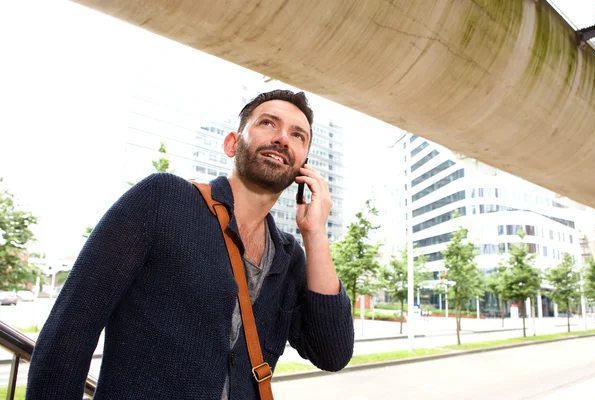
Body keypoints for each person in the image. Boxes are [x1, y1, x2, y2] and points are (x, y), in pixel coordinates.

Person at [26, 89, 354, 399]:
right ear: (231, 144)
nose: (283, 138)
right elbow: (69, 331)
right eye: (268, 123)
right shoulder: (162, 199)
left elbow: (332, 353)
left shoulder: (289, 257)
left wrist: (315, 233)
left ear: (303, 167)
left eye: (299, 135)